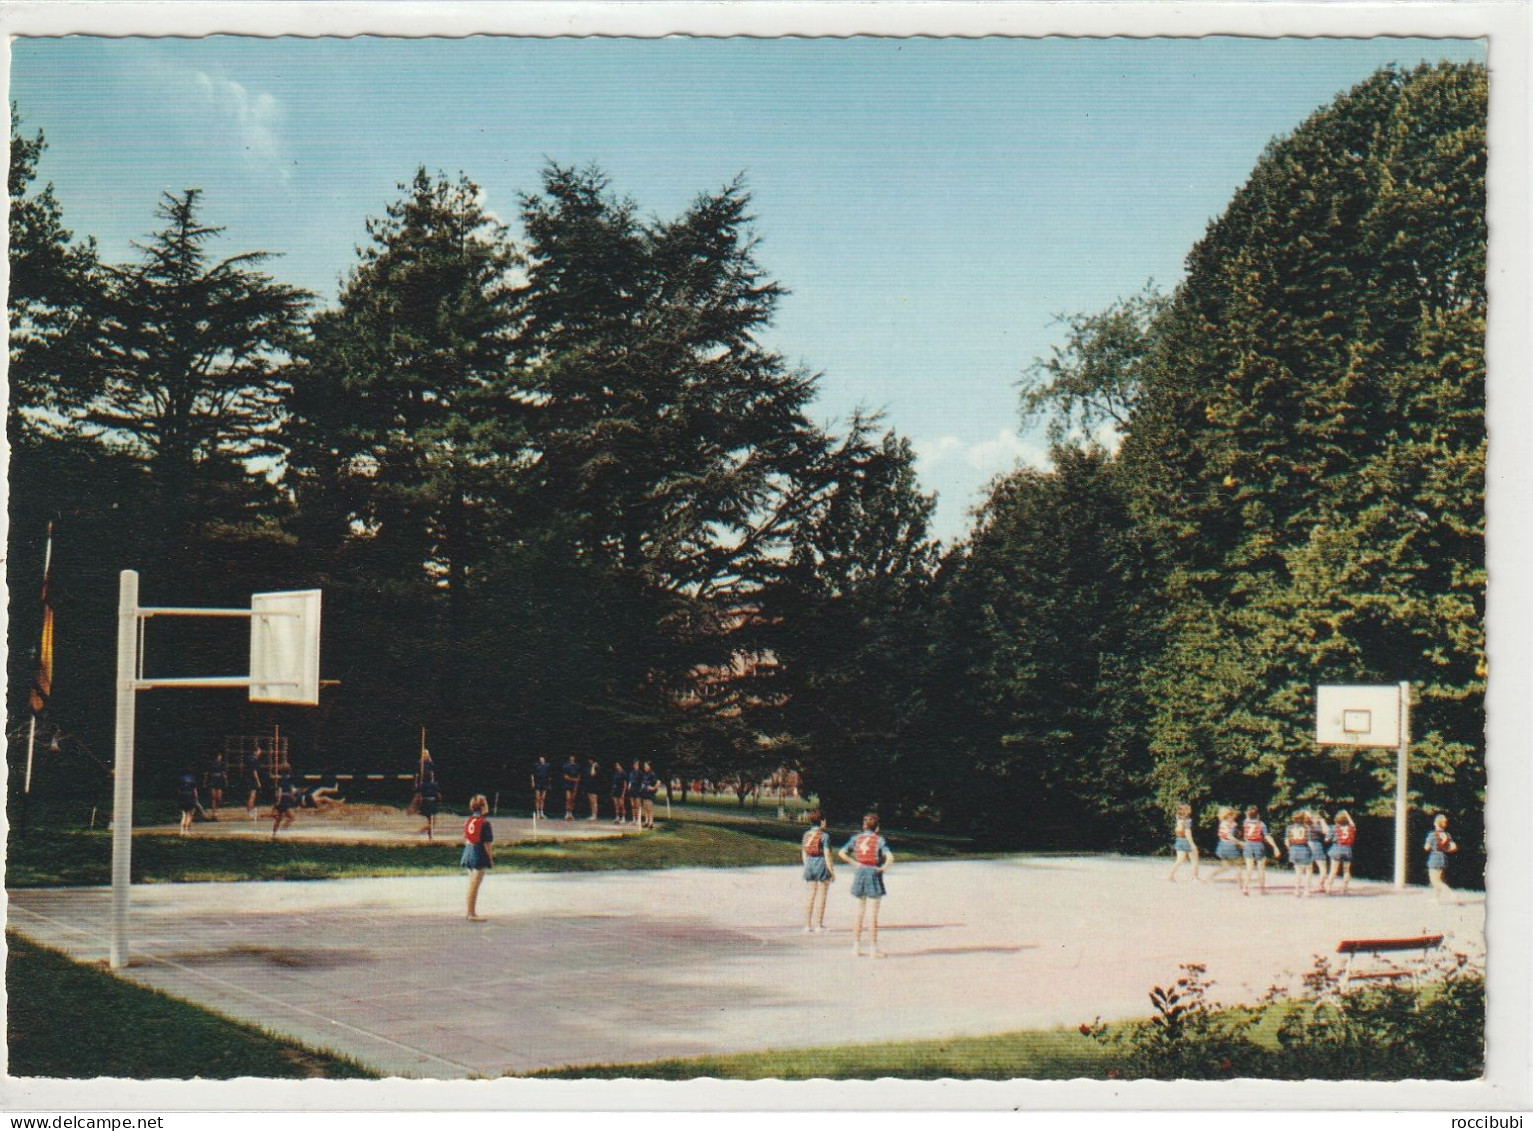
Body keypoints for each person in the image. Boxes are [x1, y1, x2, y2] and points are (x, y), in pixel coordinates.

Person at [838, 812, 894, 958]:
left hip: (860, 872)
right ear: (877, 828)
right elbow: (890, 858)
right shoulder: (879, 840)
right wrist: (882, 868)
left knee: (859, 912)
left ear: (864, 826)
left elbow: (842, 853)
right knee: (873, 914)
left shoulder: (856, 838)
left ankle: (855, 947)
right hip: (873, 874)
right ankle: (873, 949)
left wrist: (854, 863)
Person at [801, 809, 836, 932]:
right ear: (822, 821)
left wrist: (807, 866)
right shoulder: (824, 836)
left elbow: (804, 853)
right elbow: (827, 855)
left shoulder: (806, 835)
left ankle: (807, 924)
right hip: (821, 864)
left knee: (811, 895)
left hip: (809, 863)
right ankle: (818, 925)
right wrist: (831, 871)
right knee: (822, 895)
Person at [461, 794, 495, 921]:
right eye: (485, 804)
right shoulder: (485, 823)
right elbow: (487, 844)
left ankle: (469, 911)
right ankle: (471, 913)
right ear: (481, 807)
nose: (487, 806)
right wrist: (490, 859)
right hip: (478, 852)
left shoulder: (469, 820)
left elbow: (466, 837)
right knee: (474, 885)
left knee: (471, 884)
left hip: (468, 850)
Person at [1240, 805, 1281, 895]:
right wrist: (1275, 847)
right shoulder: (1261, 824)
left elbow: (1248, 818)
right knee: (1261, 868)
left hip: (1248, 845)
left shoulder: (1245, 822)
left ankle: (1245, 887)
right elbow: (1267, 836)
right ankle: (1262, 889)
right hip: (1258, 845)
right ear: (1258, 815)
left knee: (1249, 868)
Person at [1424, 813, 1457, 902]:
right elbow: (1454, 847)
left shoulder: (1432, 835)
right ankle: (1436, 899)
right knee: (1438, 879)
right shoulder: (1447, 835)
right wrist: (1445, 849)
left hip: (1434, 858)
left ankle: (1450, 893)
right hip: (1444, 858)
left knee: (1434, 881)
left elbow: (1426, 847)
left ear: (1436, 823)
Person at [1323, 810, 1356, 894]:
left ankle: (1329, 887)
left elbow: (1327, 839)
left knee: (1333, 870)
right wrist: (1347, 814)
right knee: (1346, 870)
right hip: (1347, 849)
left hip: (1336, 849)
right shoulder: (1350, 828)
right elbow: (1353, 824)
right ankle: (1344, 889)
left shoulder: (1333, 828)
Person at [1166, 803, 1200, 882]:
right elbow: (1187, 832)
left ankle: (1170, 876)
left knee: (1179, 860)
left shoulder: (1179, 819)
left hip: (1179, 840)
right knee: (1194, 859)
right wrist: (1192, 844)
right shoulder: (1187, 820)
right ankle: (1195, 878)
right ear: (1187, 811)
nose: (1190, 810)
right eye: (1189, 808)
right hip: (1186, 840)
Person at [1284, 811, 1313, 897]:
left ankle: (1296, 890)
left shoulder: (1289, 827)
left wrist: (1290, 849)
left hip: (1294, 849)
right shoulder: (1306, 827)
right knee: (1308, 870)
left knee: (1298, 871)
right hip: (1304, 849)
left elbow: (1286, 841)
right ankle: (1306, 890)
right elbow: (1310, 842)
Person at [1210, 807, 1242, 883]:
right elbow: (1229, 836)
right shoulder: (1232, 824)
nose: (1235, 816)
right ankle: (1239, 882)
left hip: (1221, 846)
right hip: (1230, 846)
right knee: (1238, 865)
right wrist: (1239, 842)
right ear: (1229, 815)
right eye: (1233, 814)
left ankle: (1211, 876)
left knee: (1225, 867)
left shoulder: (1222, 823)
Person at [270, 773, 299, 839]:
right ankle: (283, 830)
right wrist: (294, 799)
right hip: (284, 801)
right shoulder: (289, 784)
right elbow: (291, 793)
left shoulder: (281, 783)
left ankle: (275, 833)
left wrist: (277, 801)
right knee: (291, 817)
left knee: (279, 819)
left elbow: (279, 793)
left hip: (282, 801)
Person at [176, 768, 201, 836]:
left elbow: (178, 790)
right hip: (190, 796)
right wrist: (196, 798)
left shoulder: (180, 779)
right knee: (190, 814)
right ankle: (187, 830)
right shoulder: (193, 779)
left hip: (183, 797)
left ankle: (181, 830)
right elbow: (194, 790)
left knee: (184, 815)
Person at [244, 744, 266, 820]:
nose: (260, 752)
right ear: (255, 752)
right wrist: (258, 781)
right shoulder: (254, 760)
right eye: (259, 751)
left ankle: (249, 810)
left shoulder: (248, 758)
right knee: (252, 795)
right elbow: (254, 771)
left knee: (250, 795)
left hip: (247, 778)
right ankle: (250, 811)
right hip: (252, 779)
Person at [417, 772, 442, 840]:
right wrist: (438, 802)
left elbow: (419, 796)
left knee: (430, 820)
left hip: (425, 802)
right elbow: (438, 795)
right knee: (432, 821)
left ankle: (429, 835)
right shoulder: (434, 785)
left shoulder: (421, 785)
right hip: (432, 803)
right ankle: (426, 832)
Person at [204, 751, 227, 817]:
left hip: (219, 781)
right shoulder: (211, 764)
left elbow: (224, 773)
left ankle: (216, 808)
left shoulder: (222, 764)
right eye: (219, 756)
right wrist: (205, 782)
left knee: (219, 798)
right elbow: (206, 773)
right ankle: (214, 811)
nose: (220, 757)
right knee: (213, 797)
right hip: (212, 780)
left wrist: (225, 780)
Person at [561, 755, 583, 821]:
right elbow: (565, 777)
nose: (572, 759)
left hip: (574, 785)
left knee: (572, 799)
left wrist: (576, 785)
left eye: (573, 758)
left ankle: (571, 813)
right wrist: (573, 779)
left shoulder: (577, 766)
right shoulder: (566, 766)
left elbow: (578, 777)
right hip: (568, 785)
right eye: (571, 758)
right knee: (568, 799)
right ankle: (567, 813)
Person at [640, 761, 661, 829]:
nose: (645, 767)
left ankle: (651, 823)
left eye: (646, 766)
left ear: (649, 766)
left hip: (649, 794)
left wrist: (653, 788)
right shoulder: (644, 774)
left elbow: (658, 782)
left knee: (649, 808)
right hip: (644, 793)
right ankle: (646, 821)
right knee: (645, 807)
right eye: (644, 766)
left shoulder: (652, 774)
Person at [610, 760, 630, 824]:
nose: (616, 766)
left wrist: (623, 793)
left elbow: (625, 784)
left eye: (618, 765)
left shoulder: (623, 773)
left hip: (620, 790)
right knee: (616, 805)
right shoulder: (616, 773)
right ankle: (617, 817)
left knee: (622, 805)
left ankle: (623, 817)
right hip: (615, 790)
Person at [627, 760, 644, 827]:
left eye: (637, 764)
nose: (636, 766)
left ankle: (638, 819)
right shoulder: (631, 773)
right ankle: (634, 819)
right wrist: (629, 787)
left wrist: (641, 790)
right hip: (632, 790)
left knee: (637, 806)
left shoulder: (640, 773)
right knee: (633, 806)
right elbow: (630, 782)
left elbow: (642, 782)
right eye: (635, 764)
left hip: (638, 790)